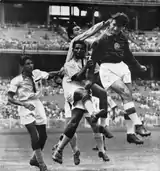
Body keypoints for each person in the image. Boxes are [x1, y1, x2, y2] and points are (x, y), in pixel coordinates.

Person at [90, 12, 151, 145]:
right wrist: (89, 77)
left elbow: (128, 55)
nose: (115, 28)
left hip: (122, 67)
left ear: (123, 27)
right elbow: (93, 59)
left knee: (128, 99)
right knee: (125, 93)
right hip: (107, 68)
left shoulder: (122, 37)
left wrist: (138, 66)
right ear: (110, 23)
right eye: (114, 25)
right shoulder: (101, 39)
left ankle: (130, 134)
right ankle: (138, 124)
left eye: (119, 26)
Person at [52, 40, 110, 165]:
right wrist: (86, 67)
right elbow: (77, 77)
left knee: (76, 124)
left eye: (81, 49)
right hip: (72, 92)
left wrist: (91, 73)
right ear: (73, 50)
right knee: (72, 122)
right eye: (76, 48)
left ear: (85, 50)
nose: (78, 51)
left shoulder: (90, 60)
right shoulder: (69, 64)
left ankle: (59, 150)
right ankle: (73, 150)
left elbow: (95, 77)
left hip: (84, 94)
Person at [8, 55, 59, 171]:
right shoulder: (16, 80)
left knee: (43, 136)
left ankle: (34, 159)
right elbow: (10, 98)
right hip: (25, 105)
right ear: (22, 65)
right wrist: (23, 104)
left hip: (37, 103)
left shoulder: (37, 73)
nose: (30, 65)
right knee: (34, 135)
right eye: (27, 64)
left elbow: (49, 74)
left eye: (31, 63)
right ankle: (41, 164)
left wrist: (62, 70)